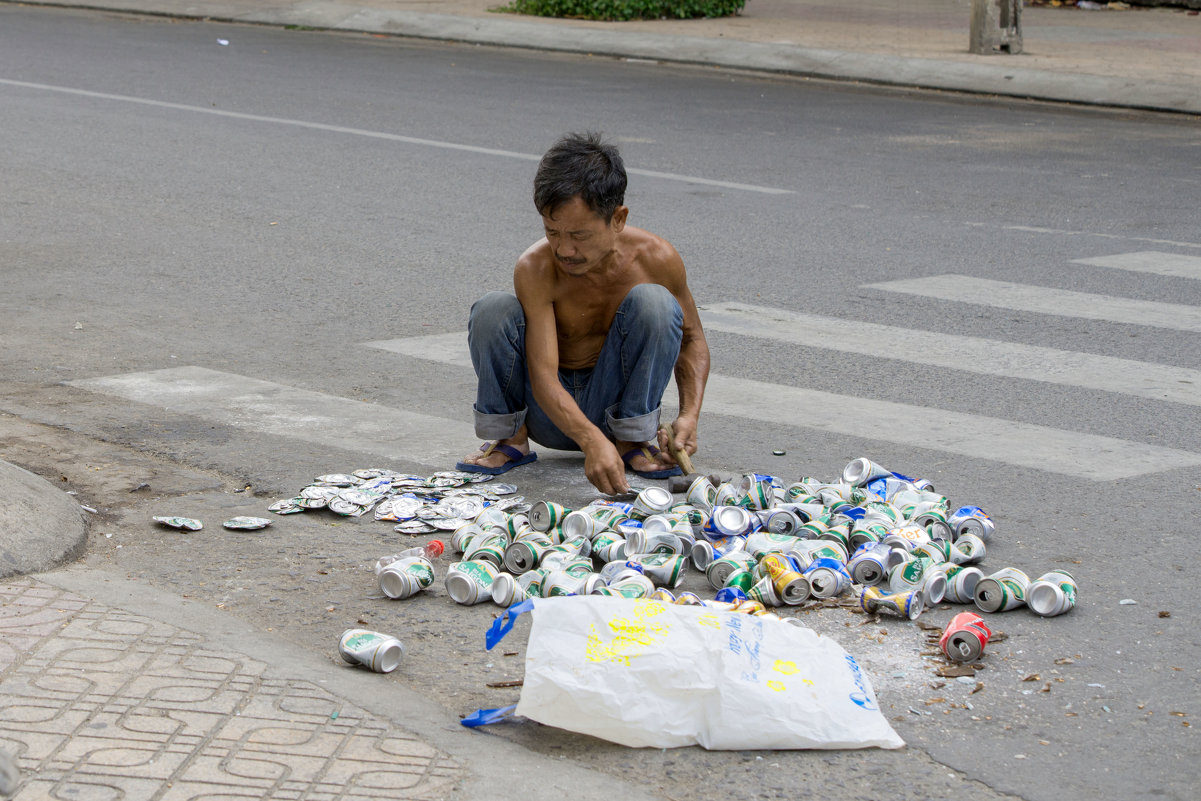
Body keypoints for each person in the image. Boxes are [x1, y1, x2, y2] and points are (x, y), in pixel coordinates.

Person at [456, 132, 709, 496]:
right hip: (546, 413)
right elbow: (543, 377)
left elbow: (693, 340)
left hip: (617, 408)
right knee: (492, 309)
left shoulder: (656, 258)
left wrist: (689, 416)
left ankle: (631, 442)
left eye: (579, 235)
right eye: (552, 231)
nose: (564, 249)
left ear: (618, 219)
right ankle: (510, 440)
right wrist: (590, 441)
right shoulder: (536, 267)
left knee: (656, 303)